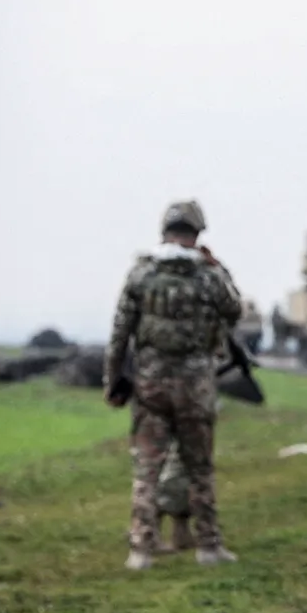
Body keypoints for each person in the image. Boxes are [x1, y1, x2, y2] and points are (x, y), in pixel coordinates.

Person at [103, 199, 244, 571]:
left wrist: (113, 380)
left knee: (147, 468)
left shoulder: (141, 273)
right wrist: (218, 267)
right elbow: (234, 310)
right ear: (196, 235)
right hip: (196, 386)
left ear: (164, 231)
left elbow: (119, 334)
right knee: (199, 468)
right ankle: (209, 546)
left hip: (151, 386)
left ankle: (140, 550)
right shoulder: (209, 276)